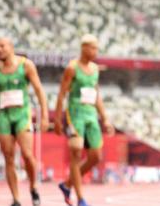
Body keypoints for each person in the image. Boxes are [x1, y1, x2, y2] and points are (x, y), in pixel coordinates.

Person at [0, 37, 49, 206]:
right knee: (8, 158)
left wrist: (44, 115)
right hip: (4, 117)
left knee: (28, 155)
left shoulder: (26, 65)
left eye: (2, 46)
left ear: (11, 47)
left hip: (22, 115)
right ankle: (16, 199)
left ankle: (33, 187)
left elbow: (39, 90)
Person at [54, 35, 114, 206]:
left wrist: (105, 119)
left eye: (97, 48)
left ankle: (67, 185)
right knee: (76, 151)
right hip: (75, 114)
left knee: (95, 157)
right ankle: (80, 198)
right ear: (84, 48)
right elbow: (61, 94)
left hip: (91, 114)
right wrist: (57, 119)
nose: (96, 52)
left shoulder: (95, 69)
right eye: (93, 48)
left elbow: (96, 95)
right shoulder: (72, 68)